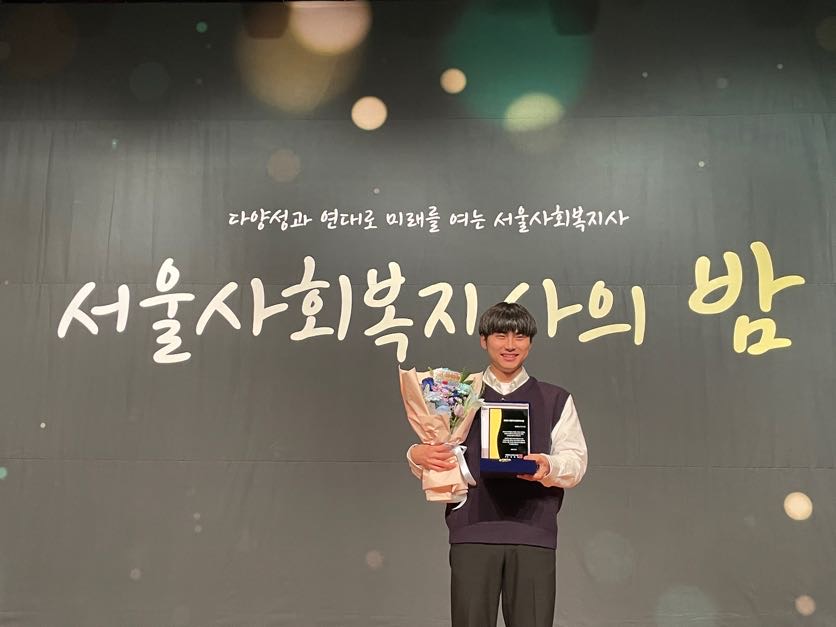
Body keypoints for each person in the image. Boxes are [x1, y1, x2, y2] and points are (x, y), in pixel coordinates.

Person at [407, 302, 588, 627]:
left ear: (530, 342)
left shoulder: (554, 398)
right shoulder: (457, 394)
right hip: (472, 529)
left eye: (520, 336)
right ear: (484, 340)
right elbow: (436, 448)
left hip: (533, 532)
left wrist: (547, 465)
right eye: (500, 335)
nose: (510, 345)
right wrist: (416, 455)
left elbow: (575, 461)